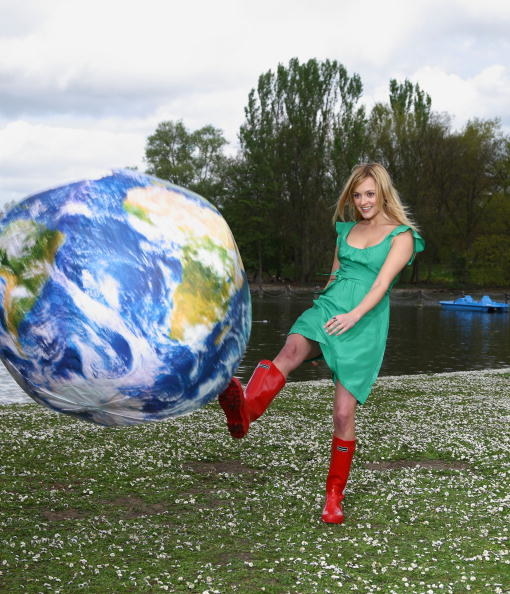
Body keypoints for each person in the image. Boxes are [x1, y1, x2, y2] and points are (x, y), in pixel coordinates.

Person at [219, 163, 425, 524]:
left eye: (369, 194)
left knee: (344, 414)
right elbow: (333, 280)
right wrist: (321, 340)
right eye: (357, 195)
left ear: (383, 193)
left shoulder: (401, 236)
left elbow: (381, 286)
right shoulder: (345, 231)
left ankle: (334, 497)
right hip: (330, 310)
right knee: (292, 348)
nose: (363, 201)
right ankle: (246, 410)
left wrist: (354, 317)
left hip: (365, 320)